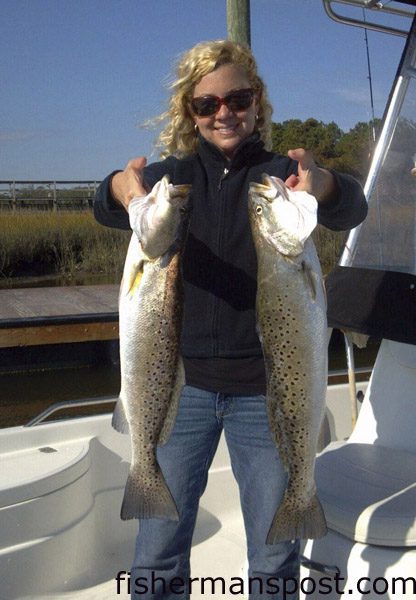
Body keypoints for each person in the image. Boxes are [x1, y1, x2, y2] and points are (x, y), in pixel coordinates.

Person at [94, 40, 367, 600]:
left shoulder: (281, 178)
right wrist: (122, 190)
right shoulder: (172, 180)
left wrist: (325, 184)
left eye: (238, 98)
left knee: (272, 559)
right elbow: (104, 202)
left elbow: (352, 207)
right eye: (207, 104)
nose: (224, 113)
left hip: (267, 395)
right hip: (179, 387)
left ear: (257, 103)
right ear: (190, 112)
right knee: (157, 552)